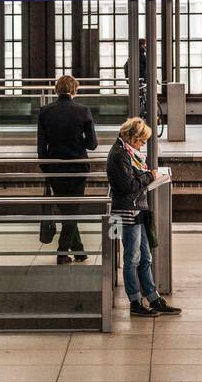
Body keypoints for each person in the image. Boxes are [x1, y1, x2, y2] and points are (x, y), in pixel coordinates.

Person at [106, 117, 179, 317]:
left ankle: (153, 297)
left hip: (137, 209)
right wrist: (150, 176)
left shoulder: (129, 153)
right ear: (132, 137)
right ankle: (135, 301)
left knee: (145, 256)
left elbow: (133, 181)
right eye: (141, 140)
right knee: (132, 258)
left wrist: (147, 176)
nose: (143, 144)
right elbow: (128, 185)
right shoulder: (119, 155)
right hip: (127, 211)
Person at [36, 75, 99, 264]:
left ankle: (79, 250)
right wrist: (78, 141)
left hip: (55, 168)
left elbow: (41, 145)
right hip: (77, 167)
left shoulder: (45, 111)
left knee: (67, 210)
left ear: (56, 90)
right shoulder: (83, 111)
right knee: (73, 210)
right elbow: (92, 144)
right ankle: (62, 251)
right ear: (74, 90)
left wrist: (46, 167)